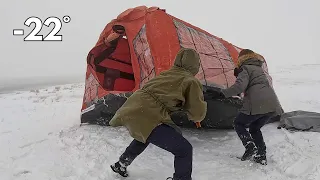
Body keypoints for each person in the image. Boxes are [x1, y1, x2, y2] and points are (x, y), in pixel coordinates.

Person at [109, 48, 207, 180]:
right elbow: (197, 111)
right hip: (149, 113)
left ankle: (121, 164)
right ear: (195, 64)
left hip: (132, 107)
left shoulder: (167, 73)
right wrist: (196, 118)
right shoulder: (190, 80)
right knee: (184, 149)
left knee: (144, 134)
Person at [207, 49, 282, 165]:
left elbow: (239, 87)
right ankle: (261, 155)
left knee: (239, 123)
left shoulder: (245, 68)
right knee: (254, 128)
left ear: (242, 59)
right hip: (272, 104)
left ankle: (250, 146)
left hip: (257, 102)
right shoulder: (258, 68)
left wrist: (222, 93)